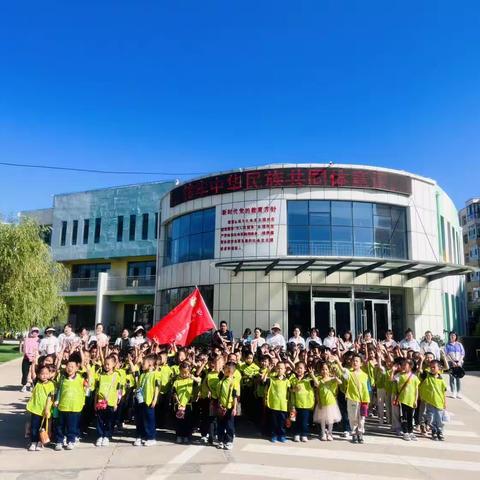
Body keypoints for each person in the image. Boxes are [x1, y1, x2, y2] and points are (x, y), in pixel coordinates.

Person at [54, 353, 87, 451]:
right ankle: (59, 441)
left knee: (72, 426)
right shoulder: (62, 378)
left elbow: (89, 379)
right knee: (60, 425)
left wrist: (85, 365)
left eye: (72, 367)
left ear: (77, 368)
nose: (69, 368)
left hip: (75, 407)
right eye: (68, 366)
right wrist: (57, 400)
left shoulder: (81, 378)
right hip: (63, 406)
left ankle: (71, 440)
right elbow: (59, 389)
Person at [94, 354, 122, 447]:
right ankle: (100, 435)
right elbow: (97, 390)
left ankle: (107, 436)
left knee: (110, 421)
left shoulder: (116, 376)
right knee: (100, 420)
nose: (106, 366)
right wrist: (95, 401)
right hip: (101, 402)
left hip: (111, 402)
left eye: (108, 364)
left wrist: (117, 402)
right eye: (105, 364)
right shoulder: (101, 376)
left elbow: (119, 390)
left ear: (114, 364)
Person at [26, 365, 55, 451]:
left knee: (42, 428)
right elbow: (33, 373)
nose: (44, 375)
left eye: (47, 373)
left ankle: (40, 442)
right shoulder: (37, 382)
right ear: (38, 375)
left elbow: (50, 398)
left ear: (50, 374)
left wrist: (47, 409)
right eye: (42, 374)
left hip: (45, 410)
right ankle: (33, 442)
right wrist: (33, 363)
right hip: (36, 409)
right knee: (34, 427)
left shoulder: (51, 385)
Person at [343, 354, 370, 444]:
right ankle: (354, 433)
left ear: (361, 363)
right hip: (352, 398)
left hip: (363, 400)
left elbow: (367, 388)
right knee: (353, 417)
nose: (354, 362)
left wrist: (367, 400)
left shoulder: (365, 375)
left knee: (362, 418)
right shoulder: (349, 374)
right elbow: (343, 373)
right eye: (353, 360)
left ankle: (360, 433)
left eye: (357, 361)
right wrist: (337, 362)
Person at [133, 354, 159, 447]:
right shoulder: (143, 374)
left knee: (149, 419)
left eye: (144, 363)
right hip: (141, 400)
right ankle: (140, 435)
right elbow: (139, 386)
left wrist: (155, 399)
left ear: (151, 365)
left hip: (149, 400)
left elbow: (157, 387)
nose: (142, 365)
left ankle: (151, 437)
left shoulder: (155, 374)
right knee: (140, 419)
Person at [392, 358, 420, 442]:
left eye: (405, 365)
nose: (403, 366)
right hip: (403, 400)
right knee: (404, 417)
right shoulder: (400, 375)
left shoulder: (414, 377)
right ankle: (405, 432)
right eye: (403, 365)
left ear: (410, 366)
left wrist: (415, 400)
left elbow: (416, 390)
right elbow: (391, 379)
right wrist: (393, 371)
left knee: (410, 417)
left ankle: (411, 431)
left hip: (411, 401)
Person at [312, 361, 342, 441]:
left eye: (326, 369)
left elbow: (340, 382)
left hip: (331, 403)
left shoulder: (332, 379)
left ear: (329, 370)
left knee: (330, 419)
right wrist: (312, 375)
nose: (324, 371)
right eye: (322, 369)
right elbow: (316, 385)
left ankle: (330, 433)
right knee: (322, 419)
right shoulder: (319, 379)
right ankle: (323, 433)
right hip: (322, 402)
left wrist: (336, 378)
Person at [419, 359, 447, 441]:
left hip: (439, 402)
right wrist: (421, 360)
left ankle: (440, 432)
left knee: (439, 418)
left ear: (439, 368)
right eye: (431, 367)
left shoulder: (441, 379)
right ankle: (434, 431)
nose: (432, 369)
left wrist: (445, 402)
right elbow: (420, 371)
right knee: (431, 418)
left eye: (434, 367)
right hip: (429, 402)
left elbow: (443, 391)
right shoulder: (426, 376)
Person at [263, 361, 290, 443]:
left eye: (281, 368)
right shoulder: (272, 379)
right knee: (274, 422)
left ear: (285, 370)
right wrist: (267, 371)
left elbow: (290, 391)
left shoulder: (287, 381)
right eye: (278, 368)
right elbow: (264, 380)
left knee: (282, 422)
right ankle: (274, 435)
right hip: (274, 404)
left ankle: (282, 435)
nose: (279, 370)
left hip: (283, 405)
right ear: (275, 369)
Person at [289, 361, 315, 442]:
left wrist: (312, 375)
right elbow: (289, 389)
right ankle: (296, 434)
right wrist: (293, 389)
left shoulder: (308, 379)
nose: (299, 370)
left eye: (301, 368)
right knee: (295, 420)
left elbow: (317, 384)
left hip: (305, 404)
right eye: (297, 368)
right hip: (295, 404)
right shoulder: (292, 379)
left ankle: (304, 434)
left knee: (304, 421)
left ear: (305, 369)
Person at [216, 362, 239, 450]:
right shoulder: (221, 382)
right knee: (220, 425)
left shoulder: (234, 382)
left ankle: (229, 441)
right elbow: (218, 394)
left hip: (230, 407)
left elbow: (235, 396)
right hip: (221, 407)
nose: (227, 372)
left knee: (229, 425)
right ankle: (220, 440)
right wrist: (220, 405)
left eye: (229, 371)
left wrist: (234, 408)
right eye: (225, 370)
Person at [444, 331, 465, 399]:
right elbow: (446, 354)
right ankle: (453, 392)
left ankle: (458, 392)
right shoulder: (447, 345)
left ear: (456, 337)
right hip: (451, 363)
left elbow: (462, 353)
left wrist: (459, 361)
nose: (452, 336)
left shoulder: (459, 344)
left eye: (454, 335)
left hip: (459, 362)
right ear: (449, 336)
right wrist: (453, 362)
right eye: (451, 335)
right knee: (452, 377)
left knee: (458, 377)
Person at [20, 327, 40, 392]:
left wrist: (35, 357)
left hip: (35, 358)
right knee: (25, 372)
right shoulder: (27, 339)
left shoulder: (39, 340)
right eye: (34, 331)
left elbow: (39, 349)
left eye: (37, 331)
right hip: (27, 358)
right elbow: (24, 350)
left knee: (34, 372)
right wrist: (29, 357)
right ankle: (24, 385)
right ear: (31, 332)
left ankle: (32, 385)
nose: (35, 333)